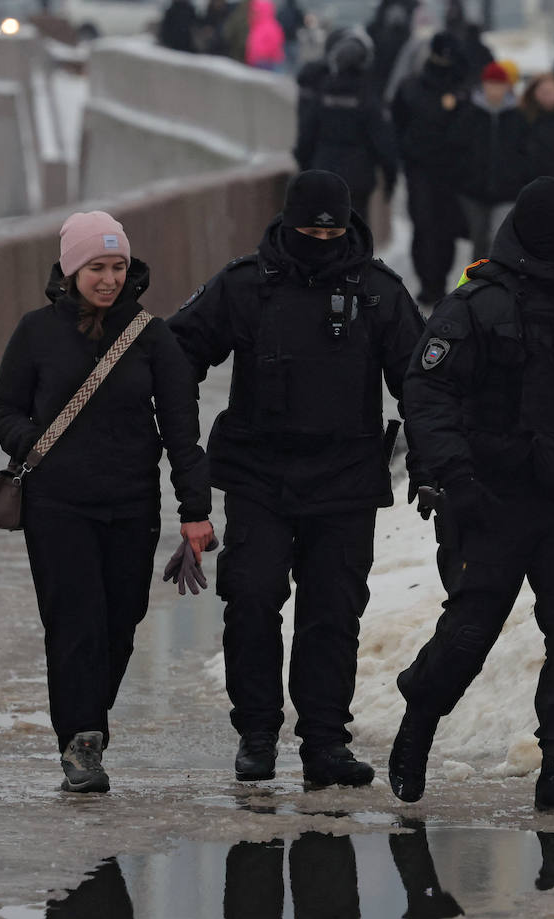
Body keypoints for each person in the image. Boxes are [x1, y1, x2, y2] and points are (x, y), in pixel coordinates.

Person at [388, 177, 554, 812]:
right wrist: (454, 478)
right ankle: (418, 724)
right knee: (471, 632)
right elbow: (426, 393)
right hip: (489, 500)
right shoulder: (476, 306)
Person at [166, 172, 425, 786]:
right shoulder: (245, 284)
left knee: (332, 612)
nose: (321, 238)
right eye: (309, 228)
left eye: (332, 229)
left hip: (346, 480)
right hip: (260, 475)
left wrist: (436, 461)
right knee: (252, 600)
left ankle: (324, 742)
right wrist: (173, 433)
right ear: (287, 223)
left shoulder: (378, 292)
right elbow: (178, 351)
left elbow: (421, 382)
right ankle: (257, 732)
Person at [0, 211, 215, 793]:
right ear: (71, 270)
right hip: (57, 507)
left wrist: (194, 509)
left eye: (117, 267)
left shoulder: (151, 337)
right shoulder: (37, 332)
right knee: (74, 624)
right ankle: (82, 739)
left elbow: (182, 432)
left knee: (121, 621)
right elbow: (3, 406)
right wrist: (32, 443)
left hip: (131, 506)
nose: (109, 279)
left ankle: (88, 720)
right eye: (96, 267)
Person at [391, 30, 472, 305]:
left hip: (447, 170)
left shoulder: (461, 89)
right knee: (427, 227)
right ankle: (430, 284)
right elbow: (397, 125)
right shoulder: (415, 87)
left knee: (441, 229)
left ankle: (435, 283)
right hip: (424, 169)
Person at [293, 27, 399, 222]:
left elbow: (305, 137)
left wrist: (305, 169)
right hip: (358, 181)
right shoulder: (368, 101)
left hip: (323, 176)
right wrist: (390, 179)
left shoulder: (322, 96)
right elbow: (385, 145)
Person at [457, 61, 532, 259]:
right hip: (474, 191)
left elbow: (527, 151)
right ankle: (477, 285)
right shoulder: (470, 114)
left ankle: (499, 285)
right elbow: (457, 146)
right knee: (479, 240)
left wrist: (520, 177)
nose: (494, 90)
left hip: (508, 190)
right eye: (490, 84)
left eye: (499, 85)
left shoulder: (518, 116)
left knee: (499, 239)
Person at [244, 0, 286, 71]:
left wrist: (261, 54)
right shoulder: (256, 25)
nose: (253, 14)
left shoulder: (270, 26)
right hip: (256, 61)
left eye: (256, 11)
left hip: (267, 62)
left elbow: (275, 44)